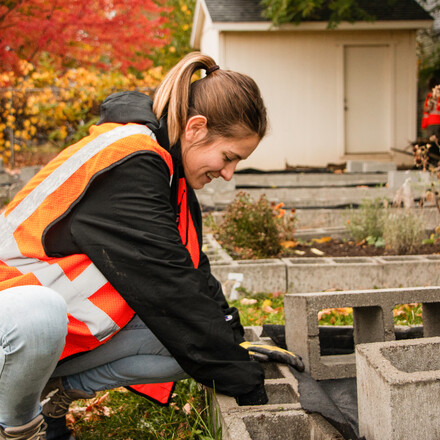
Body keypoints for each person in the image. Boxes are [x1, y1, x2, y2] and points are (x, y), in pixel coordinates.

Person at [0, 52, 303, 440]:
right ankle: (19, 426)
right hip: (16, 323)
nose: (228, 174)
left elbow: (194, 276)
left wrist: (237, 345)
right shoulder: (131, 160)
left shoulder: (167, 171)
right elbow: (170, 286)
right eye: (229, 157)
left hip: (41, 338)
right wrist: (248, 386)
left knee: (183, 347)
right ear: (195, 128)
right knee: (38, 312)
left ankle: (53, 396)